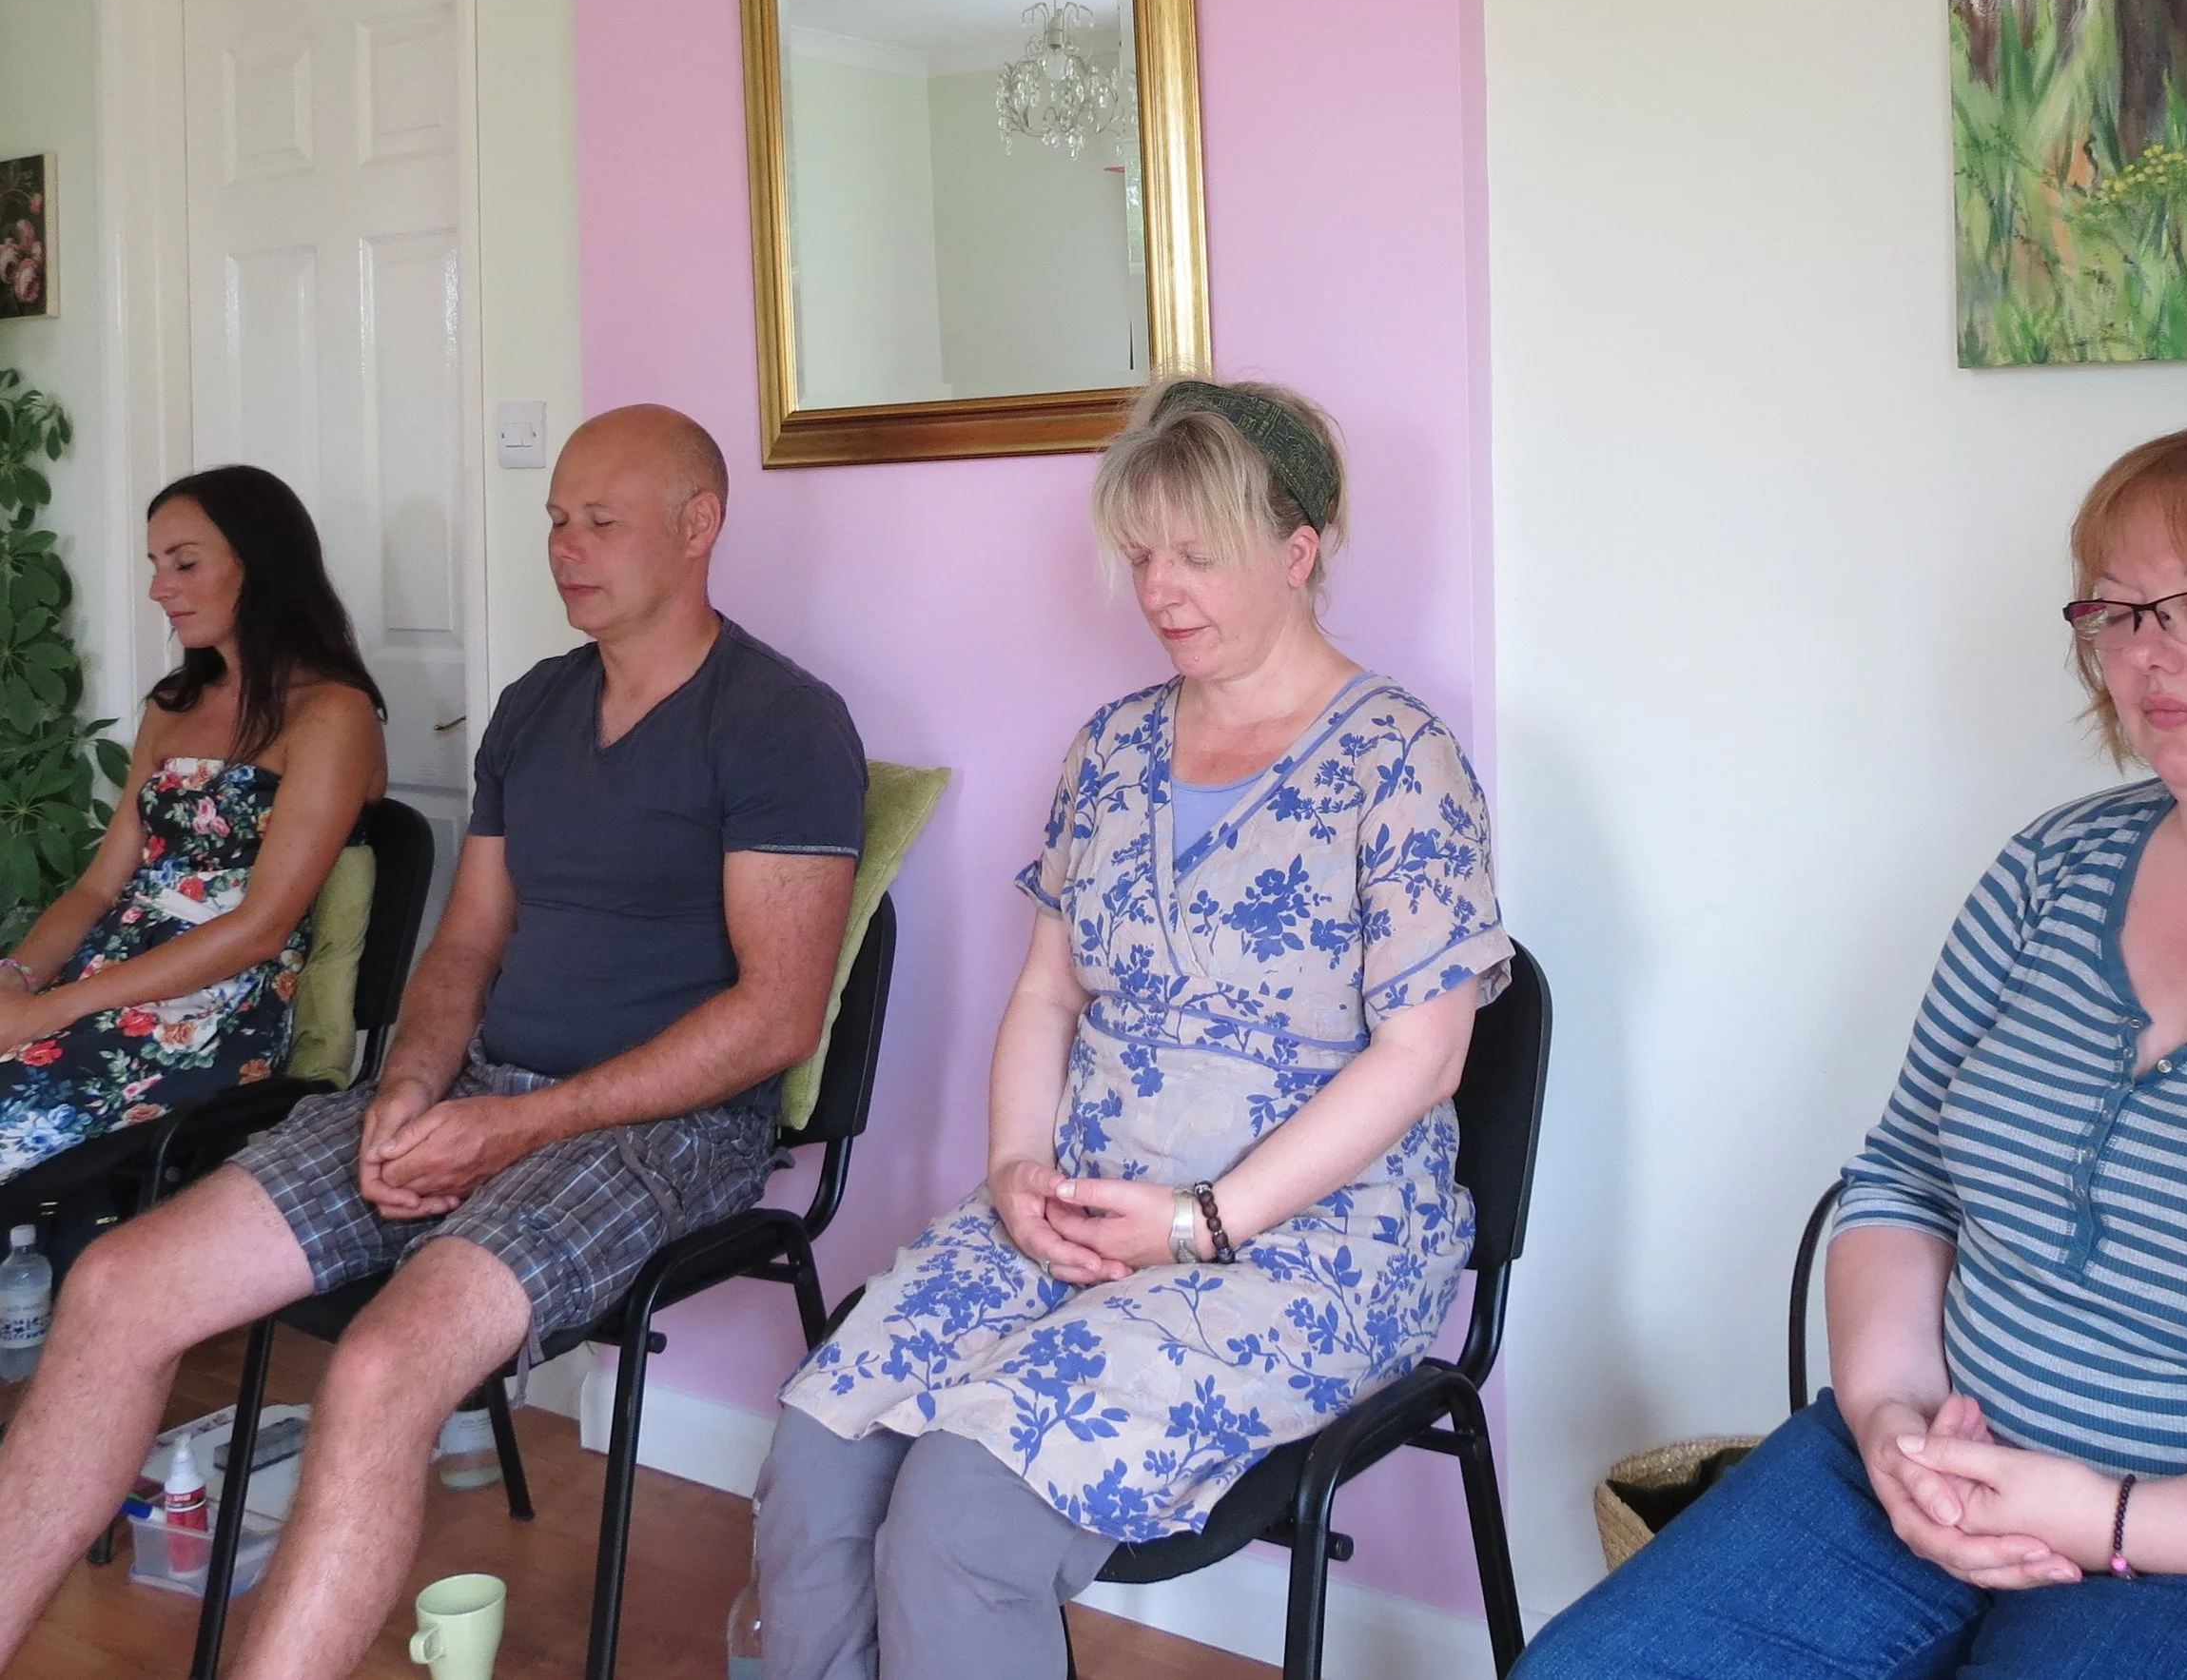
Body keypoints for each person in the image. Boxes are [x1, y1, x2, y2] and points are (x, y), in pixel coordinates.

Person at [0, 404, 867, 1680]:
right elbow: (463, 947)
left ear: (699, 529)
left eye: (601, 522)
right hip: (469, 1090)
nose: (566, 548)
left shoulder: (781, 720)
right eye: (556, 521)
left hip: (661, 1131)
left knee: (384, 1365)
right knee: (117, 1287)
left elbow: (774, 1019)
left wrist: (506, 1126)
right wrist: (410, 1087)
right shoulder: (533, 708)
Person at [1518, 418, 2187, 1679]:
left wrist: (2114, 1517)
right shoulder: (2056, 866)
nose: (2149, 654)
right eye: (2121, 613)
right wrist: (1887, 1424)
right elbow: (1902, 1177)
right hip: (1924, 1469)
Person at [755, 376, 1511, 1680]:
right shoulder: (1108, 752)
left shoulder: (1401, 762)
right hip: (1081, 1213)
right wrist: (1010, 1174)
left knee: (960, 1518)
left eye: (1198, 554)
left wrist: (1200, 1222)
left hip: (1300, 1252)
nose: (1158, 586)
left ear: (1299, 550)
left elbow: (1425, 1054)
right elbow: (1048, 992)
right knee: (819, 1459)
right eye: (1143, 551)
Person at [0, 465, 385, 1182]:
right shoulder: (174, 703)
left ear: (260, 563)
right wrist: (18, 979)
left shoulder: (332, 714)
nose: (158, 588)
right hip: (100, 980)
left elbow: (262, 928)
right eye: (155, 564)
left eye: (184, 562)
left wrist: (51, 1013)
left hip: (205, 1013)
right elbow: (94, 890)